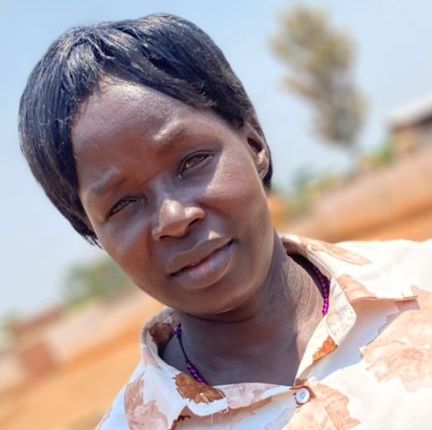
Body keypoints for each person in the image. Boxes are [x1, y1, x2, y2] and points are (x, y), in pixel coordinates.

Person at [19, 13, 432, 430]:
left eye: (192, 161)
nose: (174, 218)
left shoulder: (420, 281)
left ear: (254, 144)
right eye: (123, 204)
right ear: (94, 234)